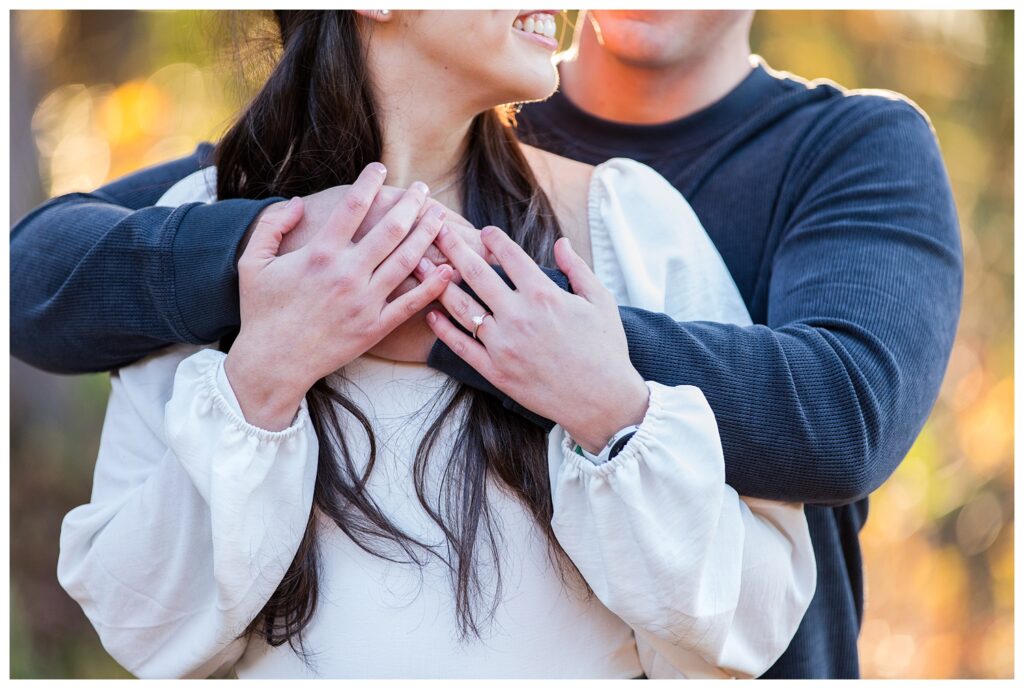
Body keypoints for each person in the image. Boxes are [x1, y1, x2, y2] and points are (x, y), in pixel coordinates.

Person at [9, 10, 963, 679]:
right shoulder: (285, 205)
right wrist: (291, 270)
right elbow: (39, 271)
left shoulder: (681, 200)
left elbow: (843, 414)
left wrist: (467, 317)